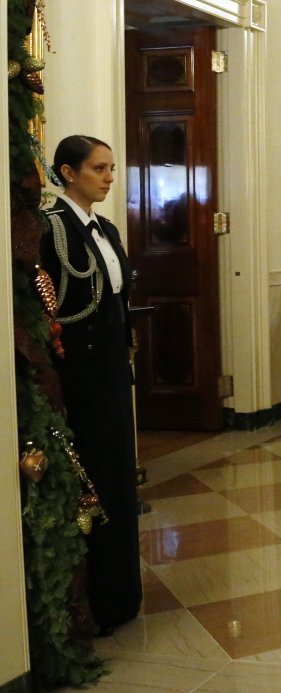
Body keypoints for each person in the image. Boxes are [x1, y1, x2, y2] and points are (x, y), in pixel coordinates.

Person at [40, 135, 142, 635]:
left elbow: (117, 296)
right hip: (80, 369)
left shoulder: (106, 228)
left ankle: (122, 594)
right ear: (68, 172)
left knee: (119, 472)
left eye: (111, 168)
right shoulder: (51, 228)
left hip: (111, 364)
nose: (109, 178)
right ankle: (96, 600)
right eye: (99, 168)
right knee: (94, 473)